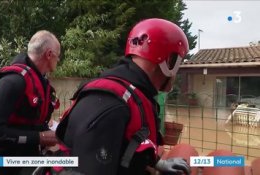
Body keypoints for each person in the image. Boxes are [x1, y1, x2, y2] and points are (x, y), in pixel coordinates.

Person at [55, 18, 191, 175]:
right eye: (178, 63)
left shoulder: (135, 94)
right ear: (169, 62)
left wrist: (157, 162)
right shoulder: (113, 104)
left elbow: (125, 145)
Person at [0, 30, 61, 175]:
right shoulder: (12, 82)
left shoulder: (39, 82)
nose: (58, 61)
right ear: (49, 54)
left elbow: (27, 123)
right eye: (58, 56)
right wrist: (40, 137)